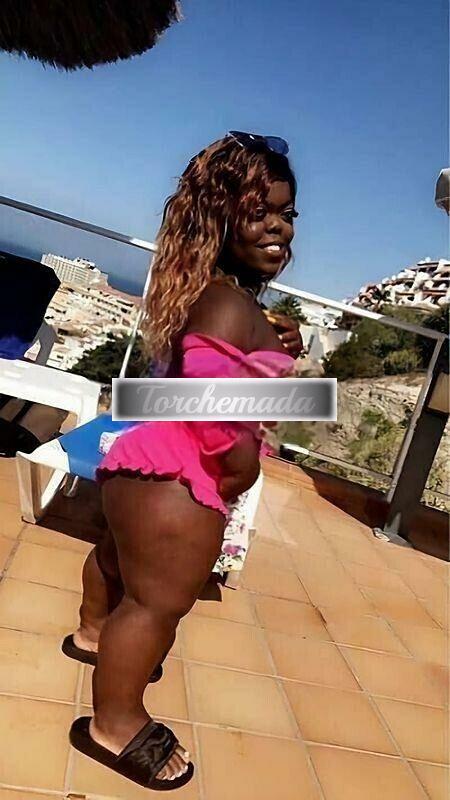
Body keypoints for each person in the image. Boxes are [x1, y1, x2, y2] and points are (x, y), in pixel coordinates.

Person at [66, 131, 302, 790]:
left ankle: (92, 635)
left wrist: (277, 343)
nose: (279, 227)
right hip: (181, 476)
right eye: (259, 212)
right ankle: (115, 722)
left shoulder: (214, 295)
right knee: (154, 607)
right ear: (219, 219)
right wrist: (238, 468)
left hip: (142, 462)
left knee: (117, 562)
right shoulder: (228, 304)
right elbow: (211, 408)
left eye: (286, 213)